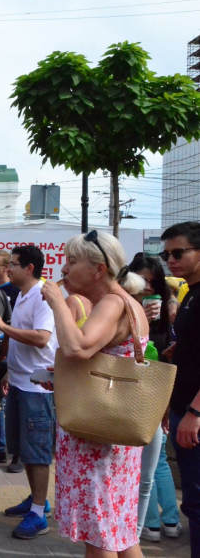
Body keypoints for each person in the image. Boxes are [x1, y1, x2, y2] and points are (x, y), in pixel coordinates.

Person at [39, 229, 149, 557]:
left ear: (99, 269)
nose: (64, 270)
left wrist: (57, 304)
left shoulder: (113, 303)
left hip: (98, 437)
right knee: (121, 534)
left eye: (72, 262)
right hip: (114, 432)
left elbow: (77, 348)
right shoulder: (127, 302)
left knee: (100, 537)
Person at [0, 245, 57, 540]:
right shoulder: (24, 295)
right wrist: (8, 372)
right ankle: (36, 500)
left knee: (38, 452)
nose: (7, 269)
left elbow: (41, 338)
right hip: (19, 382)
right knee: (25, 449)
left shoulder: (43, 296)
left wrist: (2, 325)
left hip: (38, 388)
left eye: (13, 264)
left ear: (29, 268)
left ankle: (39, 513)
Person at [127, 255, 178, 541]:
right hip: (130, 392)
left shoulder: (166, 312)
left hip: (155, 390)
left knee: (154, 461)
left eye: (152, 281)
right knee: (150, 461)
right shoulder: (121, 307)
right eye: (141, 280)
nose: (147, 287)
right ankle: (156, 524)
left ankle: (163, 522)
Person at [160, 221, 200, 556]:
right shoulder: (190, 293)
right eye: (166, 254)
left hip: (195, 414)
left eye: (178, 252)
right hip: (183, 407)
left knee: (197, 505)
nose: (170, 260)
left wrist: (194, 412)